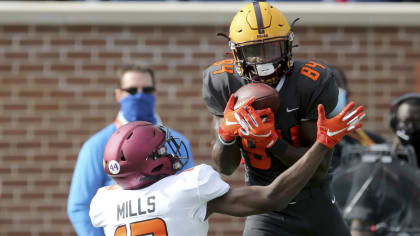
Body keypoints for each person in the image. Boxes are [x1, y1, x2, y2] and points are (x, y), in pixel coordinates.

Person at [89, 101, 365, 235]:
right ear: (150, 161)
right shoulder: (187, 187)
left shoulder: (104, 201)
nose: (169, 151)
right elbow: (273, 197)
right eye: (161, 149)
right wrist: (322, 144)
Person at [202, 1, 351, 235]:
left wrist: (274, 142)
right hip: (265, 207)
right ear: (236, 52)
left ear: (288, 46)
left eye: (271, 49)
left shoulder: (310, 82)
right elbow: (225, 168)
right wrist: (226, 135)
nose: (263, 62)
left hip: (316, 203)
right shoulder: (222, 82)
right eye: (253, 51)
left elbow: (319, 169)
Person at [67, 64, 194, 236]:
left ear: (155, 93)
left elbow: (190, 196)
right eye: (132, 90)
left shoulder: (177, 143)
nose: (140, 96)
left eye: (147, 90)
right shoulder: (97, 146)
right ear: (118, 95)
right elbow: (79, 206)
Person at [345, 93, 420, 236]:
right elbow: (359, 227)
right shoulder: (375, 163)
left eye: (418, 122)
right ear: (394, 123)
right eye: (406, 122)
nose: (411, 128)